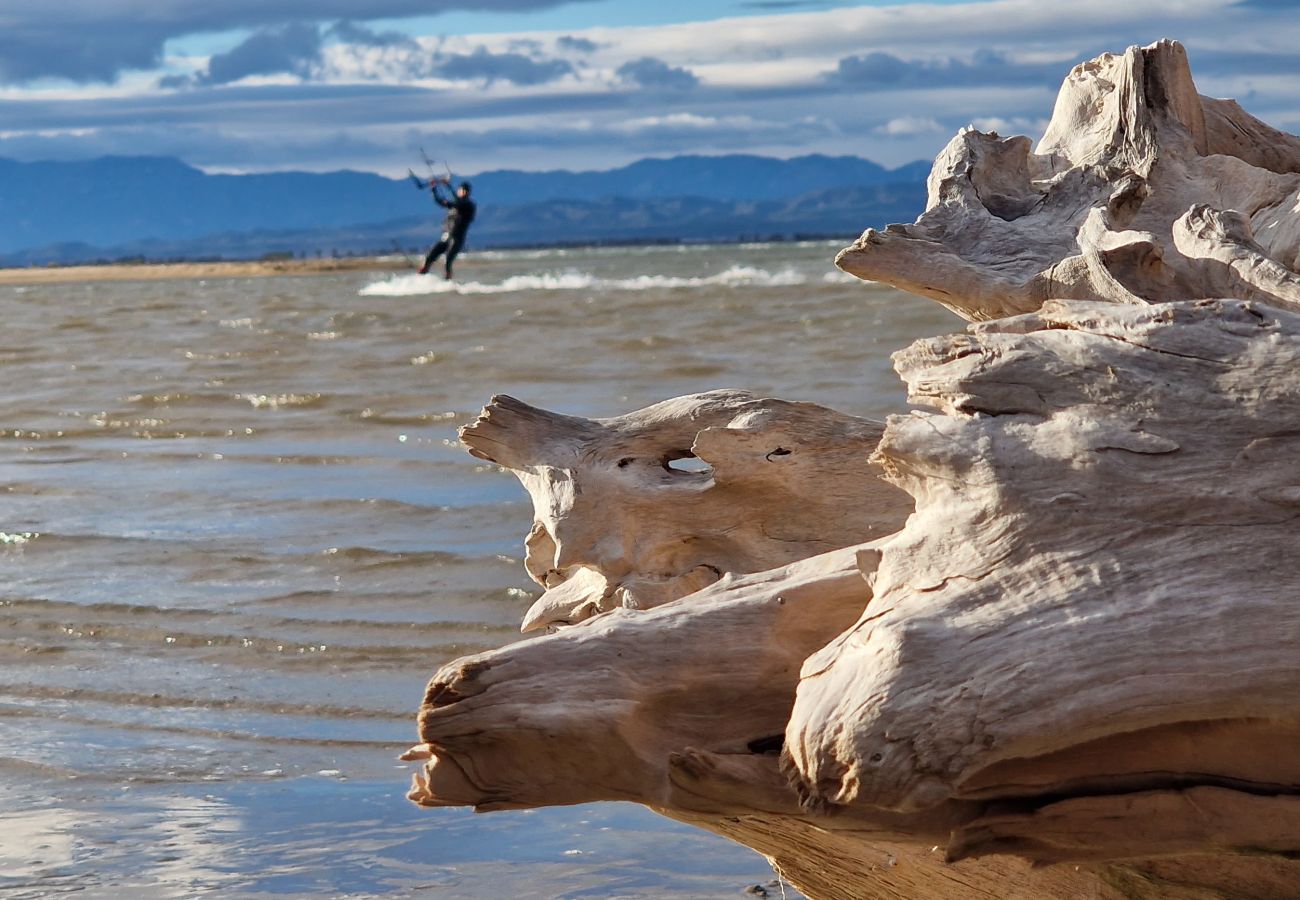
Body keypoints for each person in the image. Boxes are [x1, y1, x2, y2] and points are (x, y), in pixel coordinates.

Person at [418, 179, 476, 279]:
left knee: (447, 262)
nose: (464, 192)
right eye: (462, 190)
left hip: (457, 239)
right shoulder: (454, 204)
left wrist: (448, 187)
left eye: (467, 191)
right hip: (446, 236)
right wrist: (433, 189)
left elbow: (458, 203)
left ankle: (447, 284)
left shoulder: (469, 205)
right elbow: (441, 202)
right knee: (429, 257)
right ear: (459, 191)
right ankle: (421, 278)